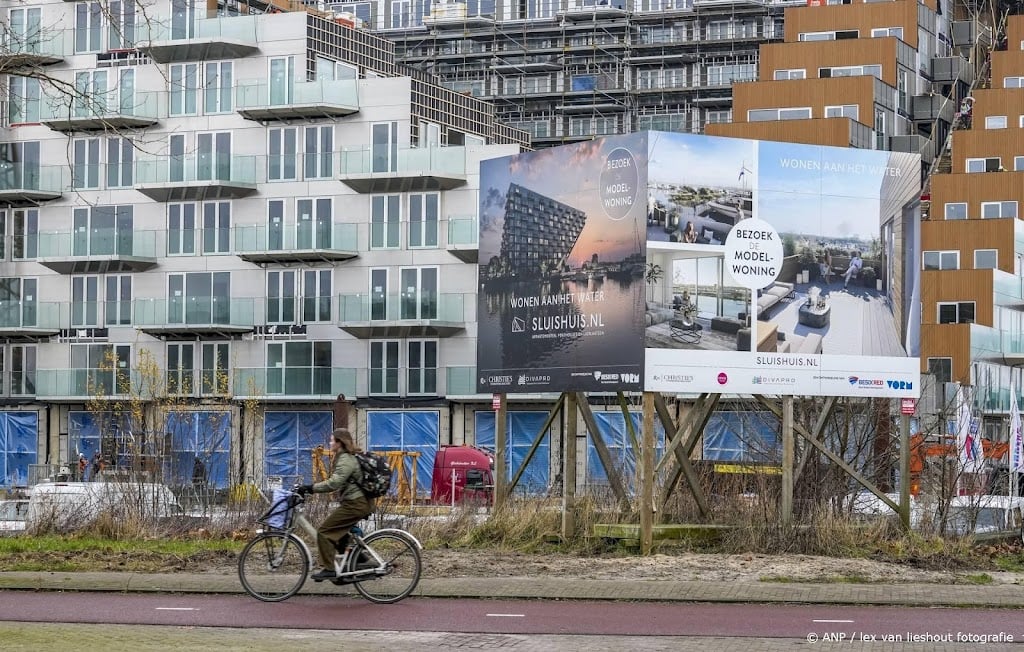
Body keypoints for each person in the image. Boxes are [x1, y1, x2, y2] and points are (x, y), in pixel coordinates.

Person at [296, 429, 375, 581]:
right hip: (357, 502)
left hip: (356, 504)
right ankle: (360, 561)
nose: (330, 443)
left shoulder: (345, 458)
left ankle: (329, 568)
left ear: (340, 442)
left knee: (324, 532)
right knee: (340, 534)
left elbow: (334, 483)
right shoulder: (346, 456)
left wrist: (310, 488)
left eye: (332, 440)